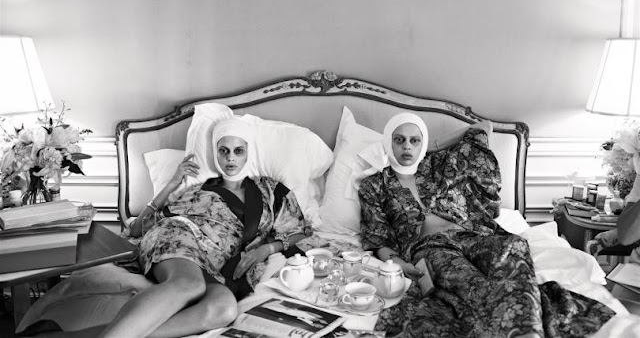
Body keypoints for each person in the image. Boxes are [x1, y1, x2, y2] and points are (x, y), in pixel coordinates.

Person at [358, 113, 616, 338]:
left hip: (472, 234)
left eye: (415, 140)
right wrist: (398, 263)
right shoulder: (375, 185)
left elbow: (483, 127)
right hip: (431, 247)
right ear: (388, 142)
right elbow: (378, 235)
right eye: (399, 139)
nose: (407, 146)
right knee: (474, 284)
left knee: (515, 246)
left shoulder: (440, 165)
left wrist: (431, 146)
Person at [98, 118, 310, 338]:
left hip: (214, 264)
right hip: (178, 236)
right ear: (216, 153)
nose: (230, 158)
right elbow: (136, 229)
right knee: (189, 285)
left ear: (249, 152)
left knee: (224, 308)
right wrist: (172, 184)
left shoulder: (271, 191)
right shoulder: (199, 190)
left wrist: (267, 249)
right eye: (223, 151)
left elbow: (299, 231)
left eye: (238, 151)